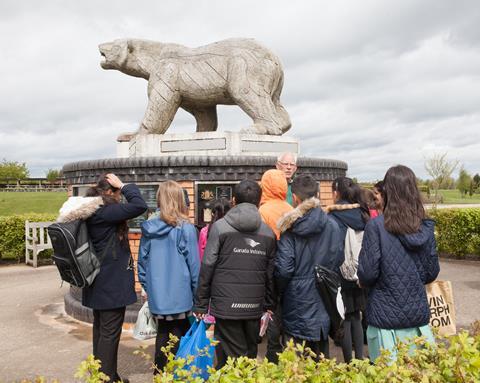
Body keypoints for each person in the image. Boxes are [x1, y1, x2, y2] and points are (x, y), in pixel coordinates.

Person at [57, 173, 148, 383]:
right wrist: (124, 185)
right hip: (110, 282)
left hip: (97, 279)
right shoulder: (105, 211)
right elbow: (139, 205)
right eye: (117, 193)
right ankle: (105, 379)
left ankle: (105, 375)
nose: (120, 198)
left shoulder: (92, 210)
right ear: (110, 192)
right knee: (109, 333)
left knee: (101, 330)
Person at [358, 165, 440, 362]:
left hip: (384, 317)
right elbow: (431, 273)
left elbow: (367, 274)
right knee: (418, 373)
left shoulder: (376, 226)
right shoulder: (425, 227)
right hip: (417, 315)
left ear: (388, 192)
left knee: (386, 374)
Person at [193, 180, 276, 368]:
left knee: (227, 361)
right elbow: (270, 274)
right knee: (249, 357)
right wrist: (270, 304)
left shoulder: (220, 228)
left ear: (233, 200)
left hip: (226, 306)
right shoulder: (268, 233)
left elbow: (207, 266)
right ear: (260, 201)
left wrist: (201, 305)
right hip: (254, 306)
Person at [275, 174, 343, 358]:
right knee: (321, 360)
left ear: (295, 197)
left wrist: (279, 291)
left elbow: (284, 269)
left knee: (295, 363)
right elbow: (338, 259)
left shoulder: (290, 229)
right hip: (324, 296)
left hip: (296, 299)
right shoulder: (333, 225)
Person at [137, 180, 200, 373]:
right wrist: (198, 297)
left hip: (158, 298)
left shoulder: (148, 229)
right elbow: (194, 267)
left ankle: (160, 374)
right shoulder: (186, 229)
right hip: (182, 297)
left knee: (163, 336)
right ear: (179, 199)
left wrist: (149, 288)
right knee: (180, 340)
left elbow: (142, 264)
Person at [327, 177, 370, 363]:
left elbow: (332, 247)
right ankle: (359, 358)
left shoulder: (333, 216)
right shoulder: (363, 213)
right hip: (360, 272)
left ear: (336, 192)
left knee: (343, 319)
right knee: (356, 317)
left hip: (340, 272)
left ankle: (349, 363)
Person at [258, 169, 294, 363]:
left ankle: (273, 351)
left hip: (270, 266)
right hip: (289, 267)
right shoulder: (290, 209)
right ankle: (288, 347)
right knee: (286, 307)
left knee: (272, 309)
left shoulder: (262, 211)